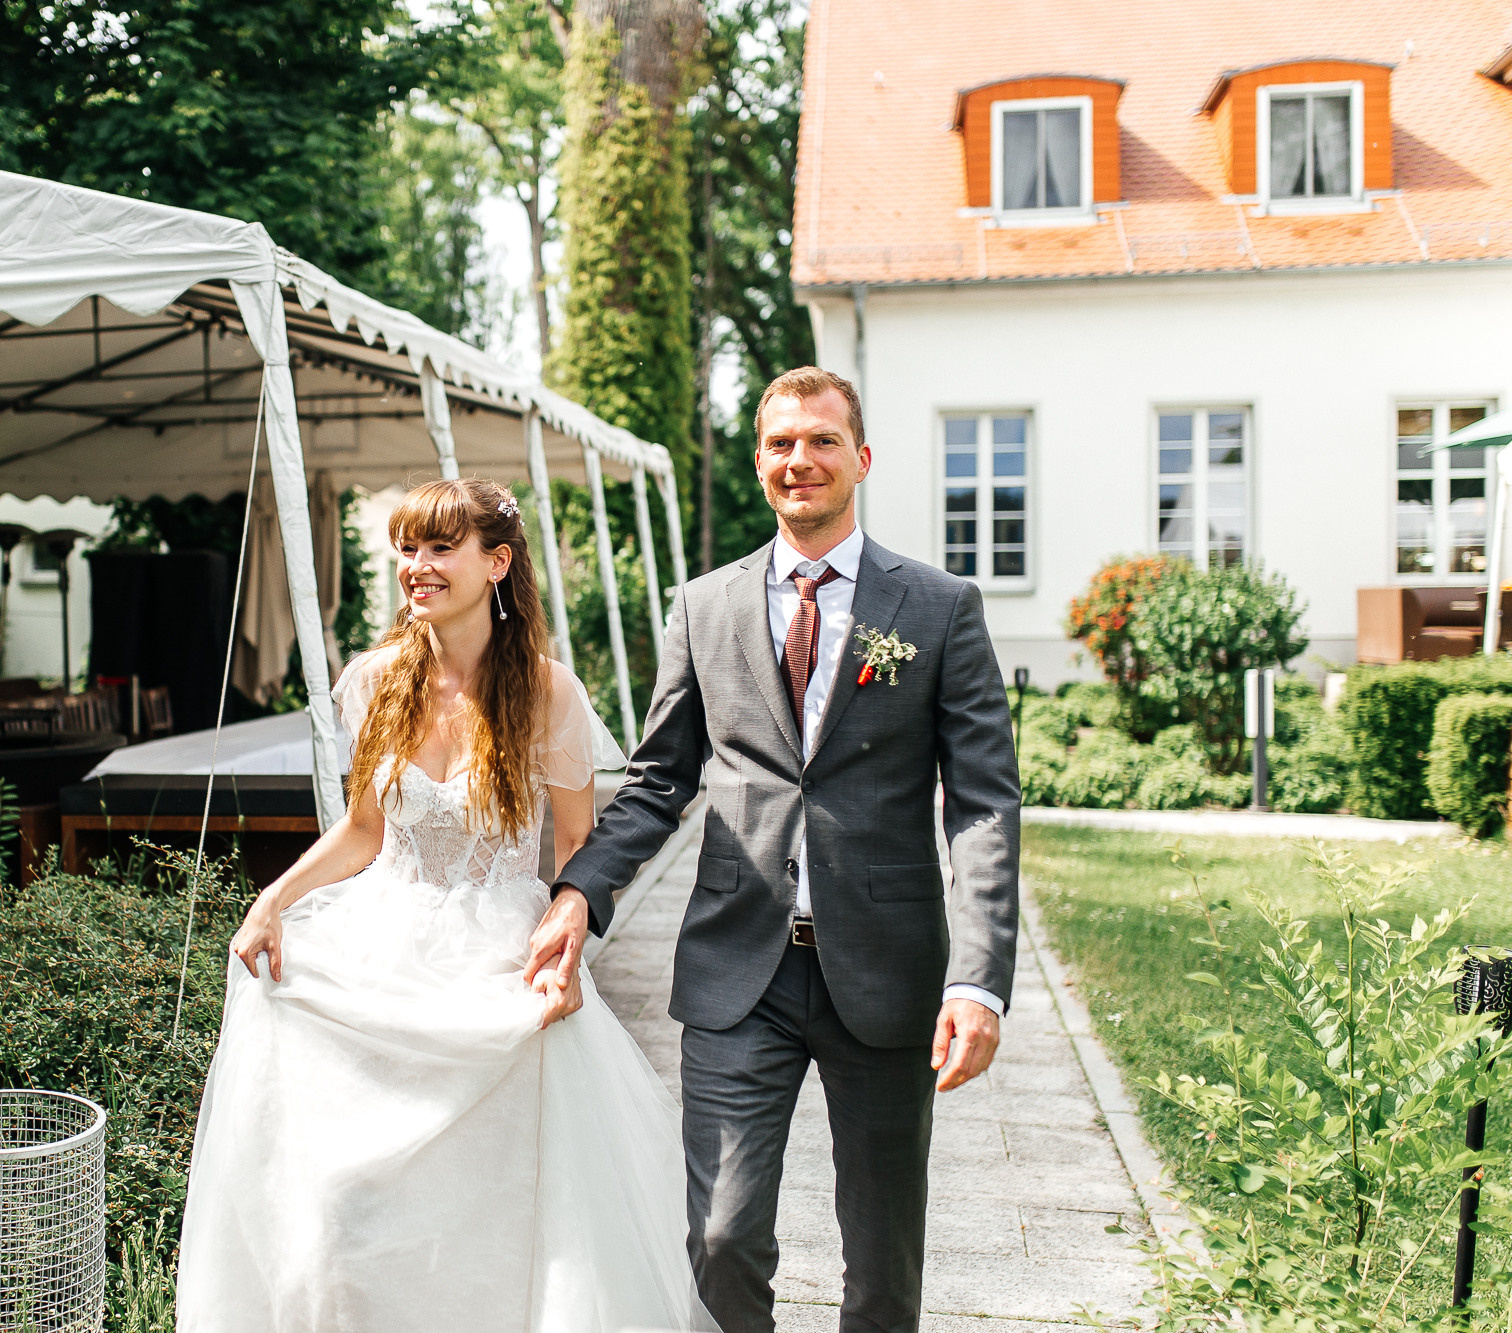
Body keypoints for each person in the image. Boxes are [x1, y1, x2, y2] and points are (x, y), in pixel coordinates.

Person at [527, 367, 1021, 1333]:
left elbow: (983, 803)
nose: (802, 459)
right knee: (719, 1234)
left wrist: (979, 979)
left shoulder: (937, 607)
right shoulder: (702, 606)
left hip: (885, 971)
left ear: (862, 460)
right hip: (735, 964)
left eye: (823, 440)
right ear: (759, 462)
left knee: (882, 1258)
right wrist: (581, 890)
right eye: (782, 443)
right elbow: (661, 776)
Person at [174, 477, 717, 1333]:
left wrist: (570, 951)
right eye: (408, 549)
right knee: (345, 1194)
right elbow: (361, 832)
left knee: (498, 1202)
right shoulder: (374, 682)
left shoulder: (548, 693)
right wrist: (273, 898)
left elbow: (578, 850)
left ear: (496, 562)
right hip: (379, 945)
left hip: (498, 954)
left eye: (439, 548)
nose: (416, 567)